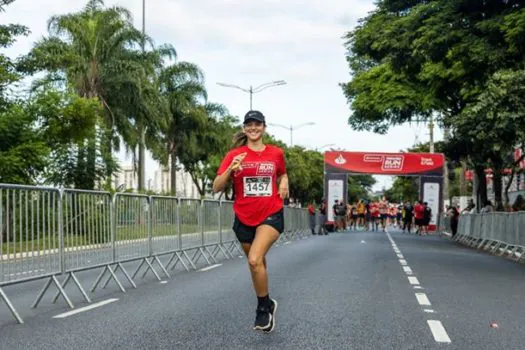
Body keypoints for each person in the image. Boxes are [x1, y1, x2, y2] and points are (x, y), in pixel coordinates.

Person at [212, 110, 288, 333]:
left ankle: (262, 308)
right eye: (249, 125)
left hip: (270, 213)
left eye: (257, 124)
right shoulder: (235, 155)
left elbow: (282, 172)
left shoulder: (275, 153)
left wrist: (285, 182)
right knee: (258, 263)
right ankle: (268, 302)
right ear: (245, 129)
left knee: (254, 260)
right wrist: (230, 170)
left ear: (264, 127)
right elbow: (216, 186)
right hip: (244, 217)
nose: (253, 128)